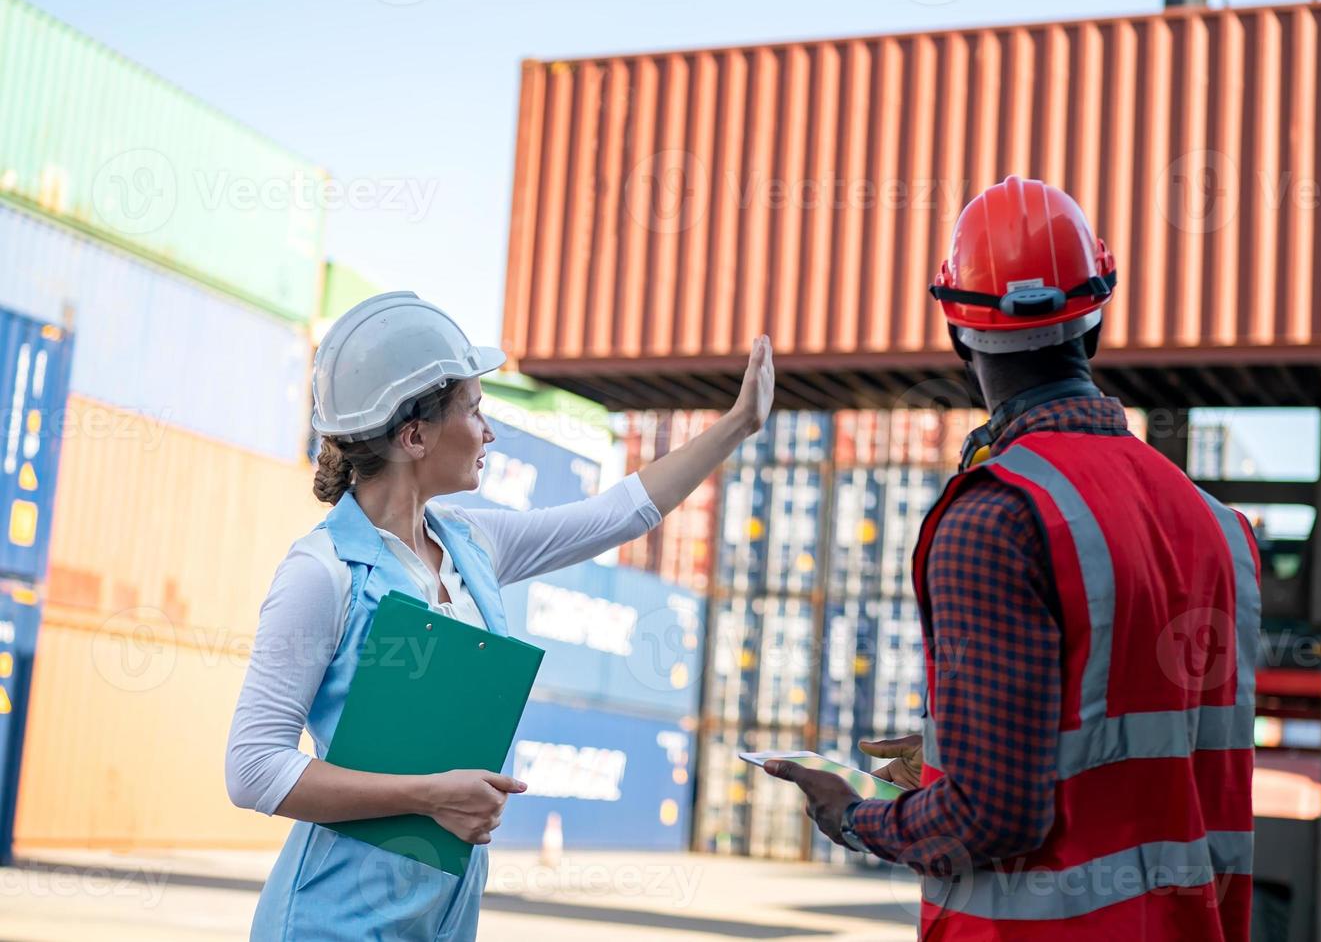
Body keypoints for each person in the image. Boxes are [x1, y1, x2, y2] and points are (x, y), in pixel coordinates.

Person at [765, 176, 1260, 940]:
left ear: (958, 333)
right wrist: (954, 747)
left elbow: (993, 815)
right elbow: (1140, 746)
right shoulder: (1219, 528)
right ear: (1093, 322)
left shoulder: (995, 514)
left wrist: (854, 816)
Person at [226, 292, 775, 941]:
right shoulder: (320, 573)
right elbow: (252, 767)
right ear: (415, 435)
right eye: (475, 410)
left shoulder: (471, 544)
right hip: (332, 919)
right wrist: (427, 796)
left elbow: (618, 513)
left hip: (441, 916)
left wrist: (737, 424)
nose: (489, 431)